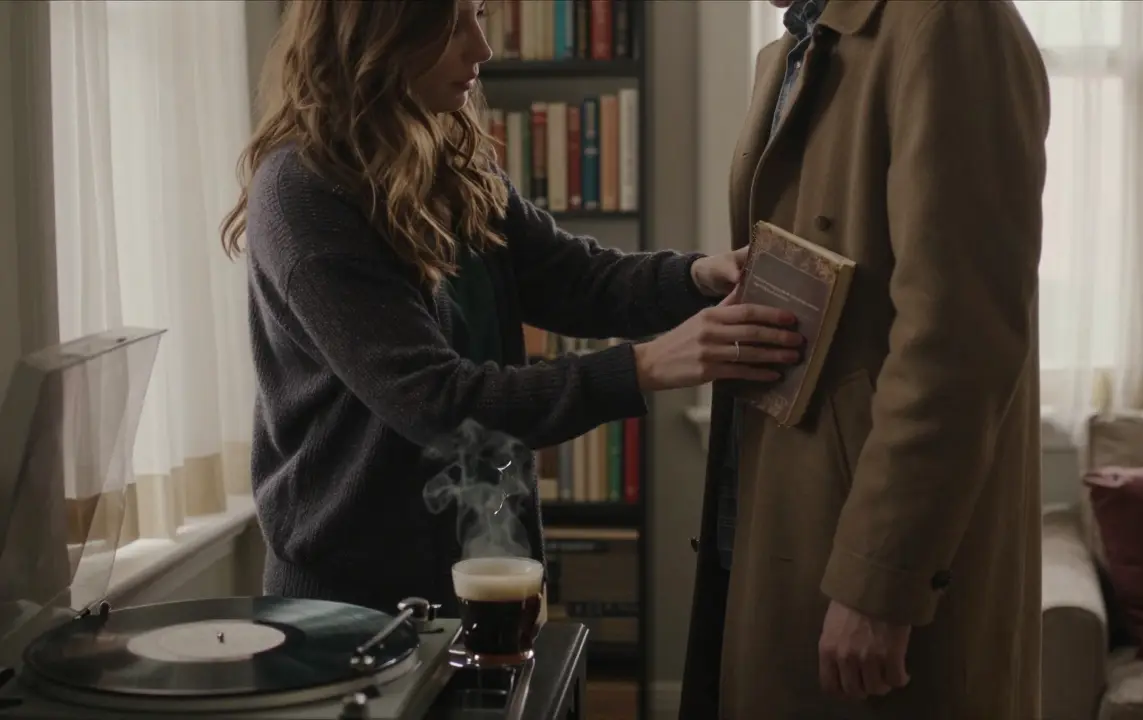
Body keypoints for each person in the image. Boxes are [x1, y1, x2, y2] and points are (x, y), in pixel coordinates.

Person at [216, 0, 804, 616]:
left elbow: (576, 279)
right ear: (377, 34)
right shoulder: (305, 192)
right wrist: (647, 365)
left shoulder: (446, 155)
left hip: (488, 561)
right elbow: (437, 402)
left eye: (479, 15)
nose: (482, 48)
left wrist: (696, 276)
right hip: (351, 600)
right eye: (452, 24)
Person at [680, 1, 1049, 719]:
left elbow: (957, 337)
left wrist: (880, 579)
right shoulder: (789, 50)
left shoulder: (948, 22)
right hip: (775, 513)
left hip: (858, 552)